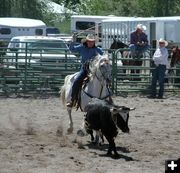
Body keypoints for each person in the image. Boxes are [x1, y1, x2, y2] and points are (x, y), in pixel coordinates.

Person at [67, 34, 104, 107]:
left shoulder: (97, 49)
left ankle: (107, 97)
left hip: (94, 70)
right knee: (77, 81)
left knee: (104, 80)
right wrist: (73, 41)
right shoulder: (82, 47)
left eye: (92, 41)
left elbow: (103, 55)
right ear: (86, 41)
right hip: (85, 69)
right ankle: (73, 99)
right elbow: (72, 49)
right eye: (89, 41)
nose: (91, 43)